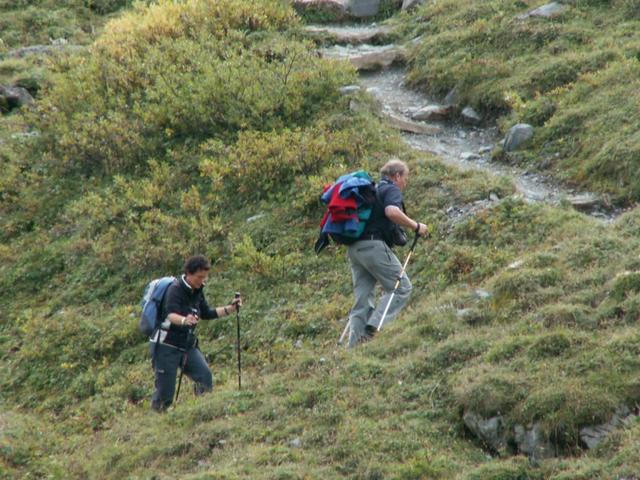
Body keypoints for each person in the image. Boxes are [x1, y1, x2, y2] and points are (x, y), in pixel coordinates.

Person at [347, 159, 428, 348]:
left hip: (355, 249)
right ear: (397, 176)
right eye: (405, 179)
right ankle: (374, 329)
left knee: (362, 299)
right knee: (402, 287)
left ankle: (353, 348)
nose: (405, 183)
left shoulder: (371, 191)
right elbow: (392, 211)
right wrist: (416, 226)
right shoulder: (390, 189)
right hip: (374, 246)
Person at [150, 254, 241, 411]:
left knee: (204, 376)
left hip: (187, 345)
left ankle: (202, 412)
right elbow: (170, 314)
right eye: (200, 277)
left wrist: (230, 309)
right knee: (165, 396)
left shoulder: (198, 290)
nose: (203, 280)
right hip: (166, 346)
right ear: (189, 274)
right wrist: (185, 320)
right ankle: (158, 426)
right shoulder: (175, 289)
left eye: (205, 277)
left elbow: (206, 313)